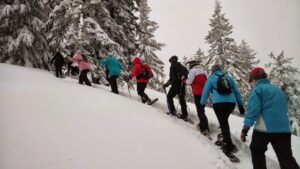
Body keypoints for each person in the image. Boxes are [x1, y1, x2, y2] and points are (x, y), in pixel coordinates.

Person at [240, 67, 299, 169]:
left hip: (264, 128)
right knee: (286, 158)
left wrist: (245, 129)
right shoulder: (278, 90)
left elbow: (253, 111)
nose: (250, 83)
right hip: (284, 129)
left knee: (257, 150)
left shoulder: (258, 90)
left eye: (250, 80)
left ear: (254, 79)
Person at [200, 64, 245, 153]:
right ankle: (226, 138)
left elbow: (205, 92)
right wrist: (240, 105)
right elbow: (236, 91)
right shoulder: (228, 77)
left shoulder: (211, 78)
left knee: (223, 122)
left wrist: (202, 104)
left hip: (218, 104)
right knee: (224, 121)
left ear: (213, 71)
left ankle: (229, 146)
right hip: (231, 103)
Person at [185, 60, 209, 134]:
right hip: (204, 93)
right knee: (202, 109)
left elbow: (189, 82)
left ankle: (204, 128)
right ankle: (205, 125)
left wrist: (184, 80)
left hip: (197, 92)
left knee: (199, 110)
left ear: (192, 65)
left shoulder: (193, 71)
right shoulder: (203, 71)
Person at [163, 55, 188, 120]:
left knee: (169, 97)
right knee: (182, 99)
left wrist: (166, 84)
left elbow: (172, 78)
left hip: (176, 85)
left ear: (172, 60)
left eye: (171, 60)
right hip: (182, 85)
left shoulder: (173, 66)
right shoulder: (181, 66)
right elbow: (186, 73)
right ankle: (185, 114)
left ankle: (172, 111)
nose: (170, 62)